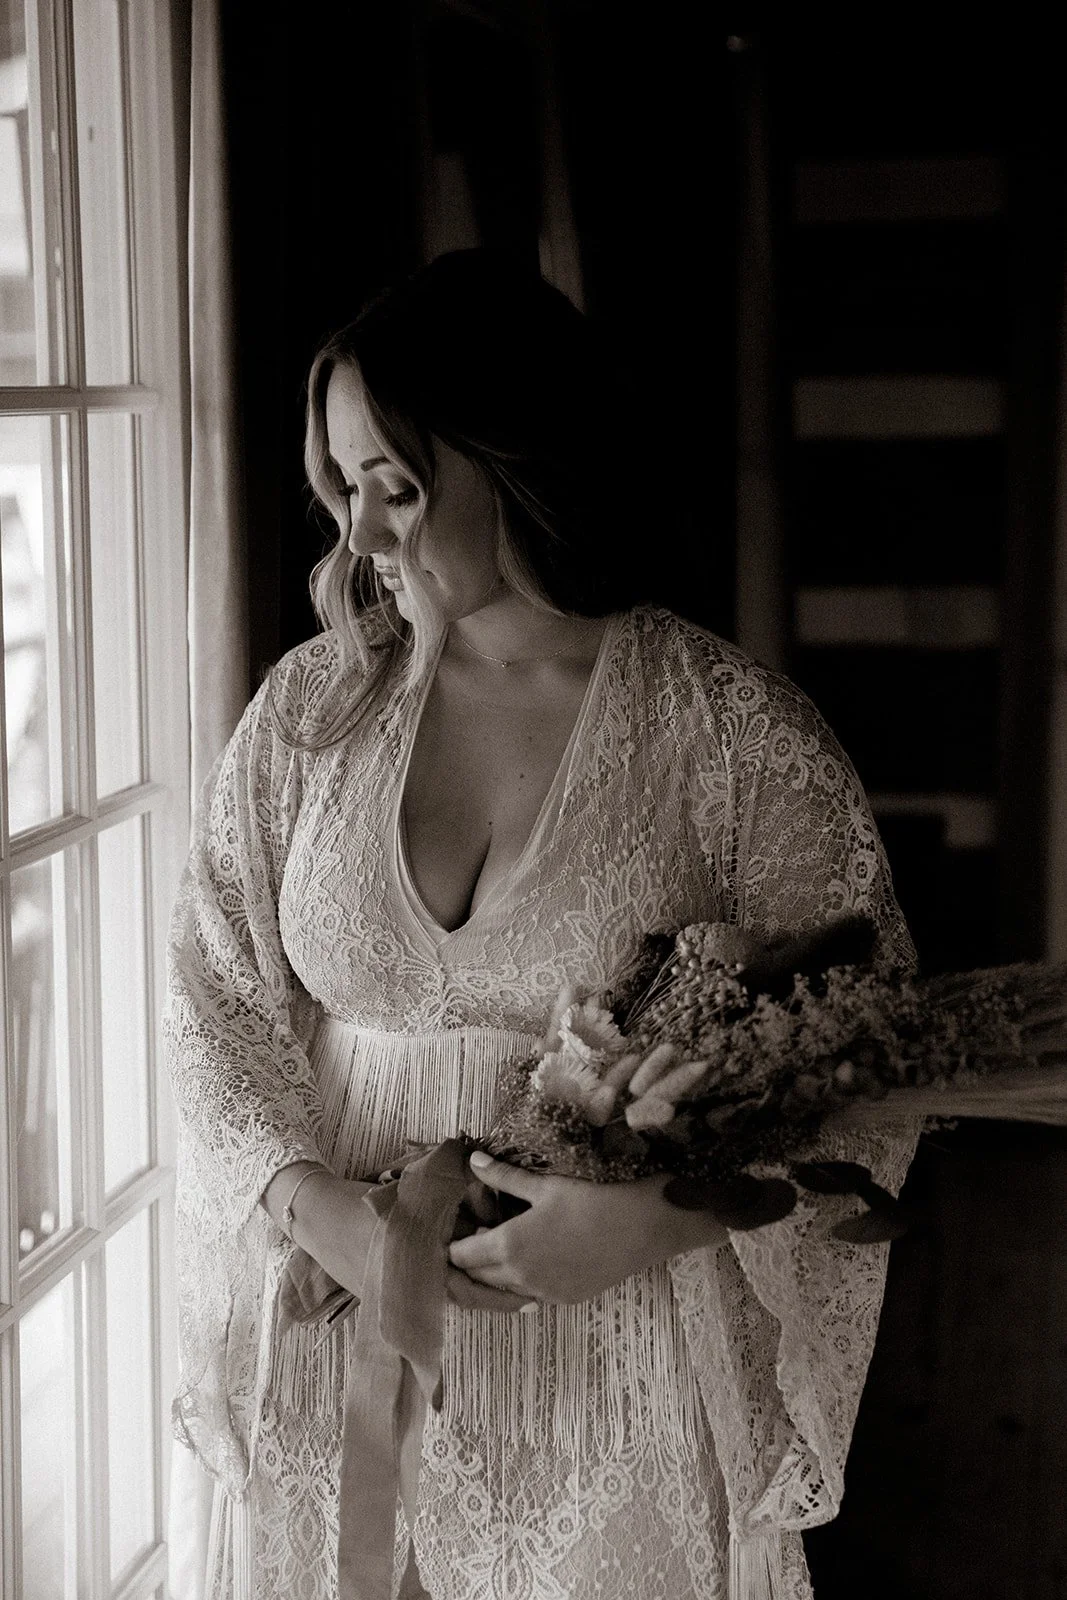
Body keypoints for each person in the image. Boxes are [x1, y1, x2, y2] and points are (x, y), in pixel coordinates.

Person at [165, 248, 917, 1600]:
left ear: (518, 456)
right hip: (338, 1352)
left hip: (610, 1376)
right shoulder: (307, 713)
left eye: (397, 485)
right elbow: (209, 997)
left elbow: (868, 1055)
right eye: (342, 488)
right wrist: (312, 1205)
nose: (361, 536)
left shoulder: (729, 734)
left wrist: (669, 1217)